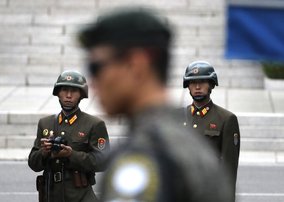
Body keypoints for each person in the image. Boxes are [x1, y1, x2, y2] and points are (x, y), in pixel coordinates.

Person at [78, 8, 231, 202]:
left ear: (136, 65)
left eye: (96, 67)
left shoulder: (142, 157)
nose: (92, 81)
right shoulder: (191, 146)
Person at [28, 70, 110, 202]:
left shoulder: (94, 124)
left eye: (74, 91)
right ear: (58, 93)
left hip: (80, 196)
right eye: (64, 90)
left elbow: (102, 161)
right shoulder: (46, 123)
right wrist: (43, 152)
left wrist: (71, 155)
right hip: (51, 194)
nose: (68, 95)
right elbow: (33, 163)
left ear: (81, 94)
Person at [183, 61, 240, 202]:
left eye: (202, 82)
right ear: (187, 86)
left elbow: (228, 171)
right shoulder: (177, 118)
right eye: (192, 82)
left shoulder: (226, 119)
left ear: (211, 85)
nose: (197, 87)